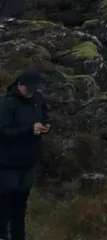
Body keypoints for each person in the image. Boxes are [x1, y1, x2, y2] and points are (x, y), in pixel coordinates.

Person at [0, 71, 50, 240]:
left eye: (34, 90)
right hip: (8, 163)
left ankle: (18, 236)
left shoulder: (38, 99)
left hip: (28, 161)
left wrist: (45, 126)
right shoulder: (8, 103)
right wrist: (29, 130)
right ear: (20, 85)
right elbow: (3, 132)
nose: (31, 92)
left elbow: (45, 116)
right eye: (29, 89)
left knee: (20, 204)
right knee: (5, 202)